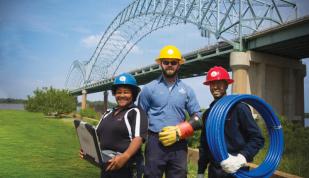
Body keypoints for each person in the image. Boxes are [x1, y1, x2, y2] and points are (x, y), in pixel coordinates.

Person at [138, 45, 202, 178]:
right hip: (155, 142)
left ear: (179, 65)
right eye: (166, 62)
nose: (169, 65)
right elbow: (140, 117)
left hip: (179, 143)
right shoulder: (149, 89)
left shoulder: (187, 90)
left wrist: (180, 131)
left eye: (173, 62)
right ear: (160, 64)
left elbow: (198, 117)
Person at [197, 66, 265, 178]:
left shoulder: (239, 108)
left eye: (219, 83)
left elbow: (257, 139)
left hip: (237, 171)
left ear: (226, 84)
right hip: (215, 172)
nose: (215, 87)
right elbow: (204, 145)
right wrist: (200, 171)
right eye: (212, 83)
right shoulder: (208, 114)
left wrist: (241, 158)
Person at [80, 73, 148, 178]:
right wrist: (88, 150)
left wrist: (125, 157)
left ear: (133, 94)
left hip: (127, 168)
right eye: (118, 92)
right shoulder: (108, 112)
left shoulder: (135, 112)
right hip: (107, 166)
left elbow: (138, 138)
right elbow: (95, 135)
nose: (121, 95)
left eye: (126, 92)